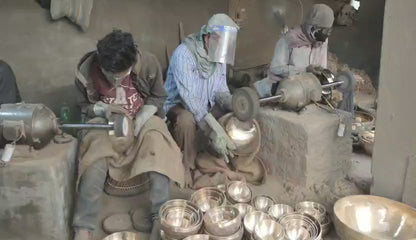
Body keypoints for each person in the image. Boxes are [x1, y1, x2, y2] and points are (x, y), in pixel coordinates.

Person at [73, 30, 185, 240]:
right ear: (101, 61)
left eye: (122, 74)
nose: (116, 80)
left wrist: (143, 116)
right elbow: (83, 106)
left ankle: (159, 217)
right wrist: (99, 109)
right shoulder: (85, 71)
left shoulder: (148, 63)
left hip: (140, 117)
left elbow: (159, 97)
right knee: (94, 154)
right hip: (106, 121)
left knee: (157, 142)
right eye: (111, 74)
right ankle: (83, 226)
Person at [163, 14, 239, 187]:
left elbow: (221, 89)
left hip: (205, 104)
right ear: (207, 38)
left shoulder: (219, 57)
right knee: (186, 120)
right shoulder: (184, 54)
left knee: (229, 114)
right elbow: (190, 99)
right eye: (221, 42)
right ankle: (186, 166)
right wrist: (214, 128)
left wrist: (232, 103)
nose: (224, 47)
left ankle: (216, 155)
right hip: (179, 104)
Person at [255, 4, 335, 97]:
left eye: (328, 31)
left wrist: (321, 73)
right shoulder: (289, 39)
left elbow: (321, 67)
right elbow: (276, 68)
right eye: (324, 31)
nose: (325, 36)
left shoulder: (321, 41)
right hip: (280, 88)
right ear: (312, 27)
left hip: (306, 88)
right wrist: (304, 70)